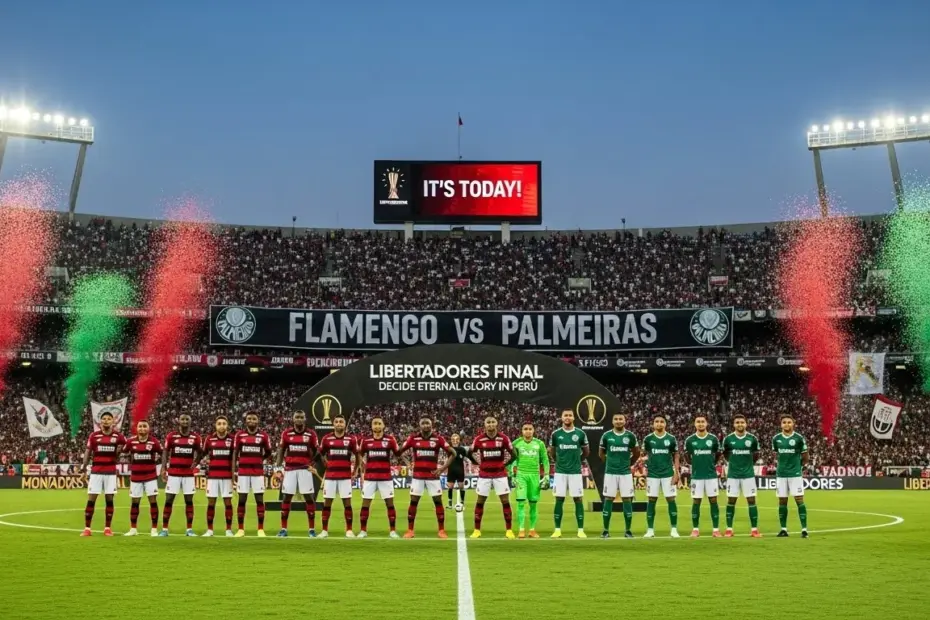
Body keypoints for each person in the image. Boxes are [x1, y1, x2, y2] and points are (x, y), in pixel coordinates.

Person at [398, 417, 457, 538]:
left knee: (438, 502)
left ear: (432, 425)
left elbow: (453, 453)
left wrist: (442, 468)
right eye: (423, 423)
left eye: (428, 423)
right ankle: (410, 530)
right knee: (413, 502)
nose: (425, 425)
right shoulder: (413, 438)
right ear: (419, 425)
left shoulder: (438, 439)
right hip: (417, 477)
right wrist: (408, 463)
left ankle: (441, 530)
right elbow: (399, 451)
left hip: (433, 477)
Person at [467, 416, 517, 539]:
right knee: (480, 501)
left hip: (500, 474)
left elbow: (514, 454)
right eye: (488, 422)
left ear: (497, 424)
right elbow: (469, 452)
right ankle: (477, 530)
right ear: (485, 425)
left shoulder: (503, 438)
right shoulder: (479, 439)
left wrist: (505, 464)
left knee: (505, 501)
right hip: (484, 474)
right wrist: (476, 462)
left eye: (492, 422)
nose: (490, 424)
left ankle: (509, 530)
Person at [80, 412, 126, 536]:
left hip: (110, 472)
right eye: (104, 419)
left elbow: (126, 448)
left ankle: (107, 528)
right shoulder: (94, 436)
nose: (106, 421)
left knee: (109, 500)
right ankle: (87, 529)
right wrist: (83, 468)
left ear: (113, 421)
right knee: (91, 499)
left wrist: (120, 451)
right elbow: (88, 452)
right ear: (100, 422)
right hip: (96, 472)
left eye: (108, 419)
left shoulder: (118, 436)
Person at [274, 411, 319, 538]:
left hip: (305, 469)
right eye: (297, 417)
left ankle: (311, 529)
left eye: (301, 417)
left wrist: (313, 464)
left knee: (309, 498)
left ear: (305, 419)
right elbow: (282, 449)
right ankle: (283, 529)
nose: (299, 419)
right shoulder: (286, 433)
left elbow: (317, 451)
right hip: (290, 470)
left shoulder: (311, 434)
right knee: (286, 497)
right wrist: (277, 466)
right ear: (293, 419)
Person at [356, 416, 400, 538]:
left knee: (390, 504)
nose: (377, 425)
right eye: (374, 423)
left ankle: (392, 531)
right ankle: (363, 530)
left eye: (379, 423)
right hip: (370, 477)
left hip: (385, 478)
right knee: (365, 504)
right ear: (371, 426)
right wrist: (363, 464)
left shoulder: (390, 440)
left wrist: (407, 463)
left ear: (383, 426)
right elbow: (359, 454)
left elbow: (398, 453)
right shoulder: (366, 441)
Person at [548, 409, 589, 538]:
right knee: (559, 499)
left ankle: (581, 530)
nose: (567, 417)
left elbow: (586, 451)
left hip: (575, 472)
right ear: (561, 417)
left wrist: (578, 460)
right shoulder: (556, 434)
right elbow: (552, 451)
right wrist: (558, 461)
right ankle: (557, 529)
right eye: (565, 415)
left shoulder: (580, 434)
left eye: (570, 415)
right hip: (560, 472)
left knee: (578, 499)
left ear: (573, 418)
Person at [159, 413, 202, 537]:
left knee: (189, 501)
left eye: (187, 419)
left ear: (190, 421)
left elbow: (200, 452)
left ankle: (189, 530)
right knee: (169, 500)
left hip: (188, 475)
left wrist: (195, 463)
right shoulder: (171, 436)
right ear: (179, 421)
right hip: (173, 474)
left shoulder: (195, 437)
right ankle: (165, 529)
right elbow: (165, 451)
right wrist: (163, 468)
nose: (184, 421)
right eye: (182, 419)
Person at [598, 413, 639, 539]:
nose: (618, 421)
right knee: (608, 499)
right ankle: (605, 530)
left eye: (621, 419)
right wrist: (610, 463)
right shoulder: (606, 436)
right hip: (610, 473)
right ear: (612, 421)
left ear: (625, 421)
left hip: (625, 474)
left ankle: (628, 530)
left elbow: (636, 453)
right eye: (616, 419)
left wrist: (629, 464)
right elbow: (601, 454)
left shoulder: (630, 436)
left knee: (627, 499)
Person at [233, 411, 273, 537]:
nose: (251, 421)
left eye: (254, 419)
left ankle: (260, 529)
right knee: (242, 500)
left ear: (258, 421)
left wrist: (260, 458)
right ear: (245, 421)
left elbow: (268, 452)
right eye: (249, 418)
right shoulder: (239, 435)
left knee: (259, 500)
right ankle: (240, 529)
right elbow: (235, 453)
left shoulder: (263, 436)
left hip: (258, 473)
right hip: (243, 472)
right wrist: (234, 469)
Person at [722, 414, 761, 537]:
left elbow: (755, 455)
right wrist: (734, 463)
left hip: (748, 475)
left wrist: (747, 465)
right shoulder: (728, 439)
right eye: (737, 422)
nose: (740, 424)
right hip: (733, 475)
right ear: (734, 424)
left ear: (746, 424)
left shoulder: (752, 439)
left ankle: (754, 529)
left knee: (751, 500)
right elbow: (725, 454)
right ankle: (729, 529)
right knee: (731, 500)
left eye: (742, 422)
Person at [318, 415, 357, 538]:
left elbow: (358, 455)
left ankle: (349, 530)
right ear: (333, 424)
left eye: (341, 421)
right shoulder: (326, 439)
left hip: (345, 476)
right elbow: (321, 453)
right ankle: (324, 530)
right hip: (330, 476)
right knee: (327, 503)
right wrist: (326, 464)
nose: (339, 424)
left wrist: (355, 471)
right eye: (336, 422)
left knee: (347, 503)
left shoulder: (351, 439)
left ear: (345, 424)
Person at [641, 414, 680, 538]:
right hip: (652, 474)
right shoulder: (648, 439)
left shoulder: (671, 438)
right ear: (653, 424)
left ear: (665, 424)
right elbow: (644, 454)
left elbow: (676, 455)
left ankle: (674, 529)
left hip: (668, 474)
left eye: (661, 421)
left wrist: (676, 472)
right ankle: (650, 530)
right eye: (656, 421)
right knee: (651, 500)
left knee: (671, 499)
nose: (659, 423)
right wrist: (644, 468)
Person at [509, 422, 549, 538]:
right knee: (521, 503)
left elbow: (545, 460)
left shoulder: (539, 444)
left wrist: (546, 475)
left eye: (530, 429)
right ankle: (521, 529)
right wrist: (511, 474)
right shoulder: (516, 443)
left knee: (533, 504)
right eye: (525, 429)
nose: (528, 431)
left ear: (533, 430)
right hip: (521, 475)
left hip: (535, 476)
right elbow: (510, 459)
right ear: (522, 431)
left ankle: (532, 530)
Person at [684, 415, 722, 537]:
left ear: (707, 423)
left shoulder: (713, 439)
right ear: (694, 424)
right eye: (698, 421)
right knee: (696, 501)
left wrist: (711, 464)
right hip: (696, 476)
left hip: (711, 475)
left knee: (713, 501)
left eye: (702, 422)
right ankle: (695, 529)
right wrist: (694, 464)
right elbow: (687, 456)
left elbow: (718, 454)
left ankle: (716, 530)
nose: (700, 424)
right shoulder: (690, 440)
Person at [123, 419, 162, 537]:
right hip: (135, 477)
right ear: (137, 428)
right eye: (140, 426)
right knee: (135, 502)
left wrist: (159, 465)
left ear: (148, 429)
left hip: (150, 477)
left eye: (145, 426)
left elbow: (162, 453)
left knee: (153, 502)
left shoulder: (154, 442)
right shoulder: (131, 442)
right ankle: (133, 529)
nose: (142, 429)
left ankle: (154, 529)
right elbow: (123, 451)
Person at [772, 415, 809, 538]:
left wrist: (798, 469)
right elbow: (777, 454)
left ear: (793, 424)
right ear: (781, 424)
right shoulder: (776, 439)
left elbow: (805, 457)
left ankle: (804, 529)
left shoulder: (799, 438)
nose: (786, 424)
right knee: (782, 501)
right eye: (784, 422)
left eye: (789, 422)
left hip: (795, 475)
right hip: (781, 474)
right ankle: (783, 529)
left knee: (799, 500)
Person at [202, 415, 236, 537]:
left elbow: (235, 457)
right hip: (213, 476)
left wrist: (233, 476)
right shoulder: (209, 439)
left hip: (227, 476)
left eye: (224, 423)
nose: (221, 425)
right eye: (219, 423)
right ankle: (210, 530)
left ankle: (228, 530)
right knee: (211, 502)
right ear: (215, 425)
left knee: (228, 502)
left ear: (227, 426)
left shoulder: (233, 439)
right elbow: (203, 453)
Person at [445, 433, 470, 509]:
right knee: (450, 487)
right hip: (451, 470)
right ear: (451, 440)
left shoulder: (462, 449)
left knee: (461, 486)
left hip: (460, 470)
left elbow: (466, 458)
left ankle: (462, 503)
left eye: (457, 439)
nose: (455, 441)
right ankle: (450, 504)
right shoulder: (449, 449)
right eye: (453, 439)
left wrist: (467, 463)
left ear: (459, 440)